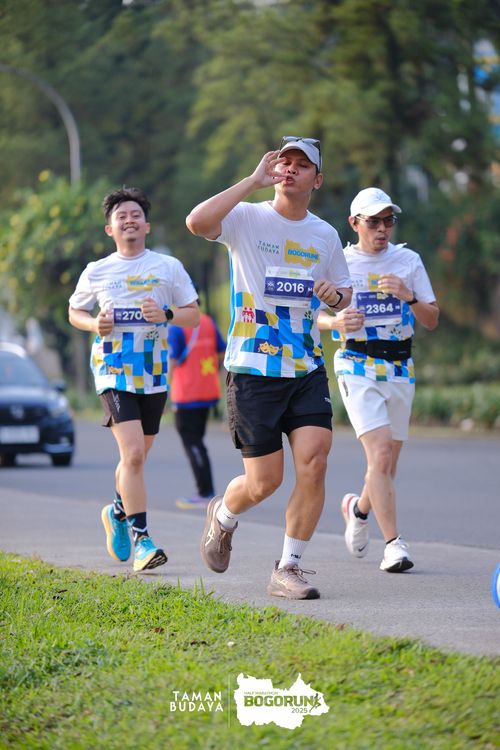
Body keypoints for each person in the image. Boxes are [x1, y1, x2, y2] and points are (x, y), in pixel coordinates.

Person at [186, 136, 352, 599]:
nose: (291, 168)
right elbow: (197, 222)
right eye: (285, 161)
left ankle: (288, 567)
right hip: (253, 366)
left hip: (305, 365)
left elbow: (344, 292)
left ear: (317, 180)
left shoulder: (324, 235)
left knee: (315, 461)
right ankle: (223, 515)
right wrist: (251, 181)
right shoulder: (246, 216)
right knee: (265, 482)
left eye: (303, 165)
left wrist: (335, 296)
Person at [68, 187, 200, 572]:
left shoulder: (167, 267)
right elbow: (75, 312)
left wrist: (166, 315)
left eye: (136, 215)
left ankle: (116, 511)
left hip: (154, 372)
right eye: (121, 216)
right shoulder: (97, 270)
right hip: (112, 369)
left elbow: (193, 314)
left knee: (136, 457)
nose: (129, 220)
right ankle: (143, 540)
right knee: (134, 455)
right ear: (109, 229)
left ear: (147, 225)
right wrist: (94, 324)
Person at [318, 187, 439, 573]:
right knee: (381, 454)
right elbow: (311, 313)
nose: (382, 228)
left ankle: (358, 509)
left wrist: (409, 296)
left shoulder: (408, 261)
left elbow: (432, 319)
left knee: (386, 465)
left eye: (388, 220)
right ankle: (393, 545)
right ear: (354, 223)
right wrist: (335, 321)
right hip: (356, 362)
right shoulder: (340, 262)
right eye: (373, 221)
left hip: (400, 366)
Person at [167, 311, 226, 509]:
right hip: (207, 389)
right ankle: (206, 491)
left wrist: (164, 391)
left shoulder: (177, 326)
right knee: (198, 441)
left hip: (186, 393)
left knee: (192, 443)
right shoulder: (208, 321)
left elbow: (172, 360)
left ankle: (205, 492)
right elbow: (222, 351)